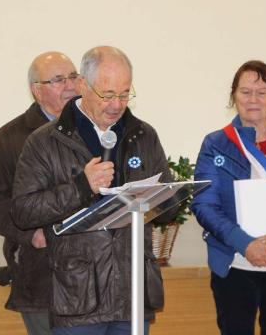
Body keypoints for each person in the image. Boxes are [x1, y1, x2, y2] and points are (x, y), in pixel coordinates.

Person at [12, 46, 173, 335]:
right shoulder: (45, 142)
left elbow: (167, 206)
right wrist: (81, 187)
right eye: (107, 95)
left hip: (132, 294)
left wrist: (166, 198)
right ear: (83, 86)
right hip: (78, 297)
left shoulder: (143, 135)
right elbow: (23, 211)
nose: (117, 105)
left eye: (125, 94)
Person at [0, 51, 79, 335]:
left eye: (73, 76)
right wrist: (29, 234)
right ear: (36, 90)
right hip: (41, 271)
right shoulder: (7, 140)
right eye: (59, 80)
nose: (70, 85)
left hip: (94, 276)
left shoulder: (98, 131)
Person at [191, 60, 266, 335]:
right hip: (234, 262)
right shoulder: (215, 143)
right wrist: (246, 244)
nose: (253, 99)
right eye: (245, 92)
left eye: (262, 92)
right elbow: (204, 204)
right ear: (233, 96)